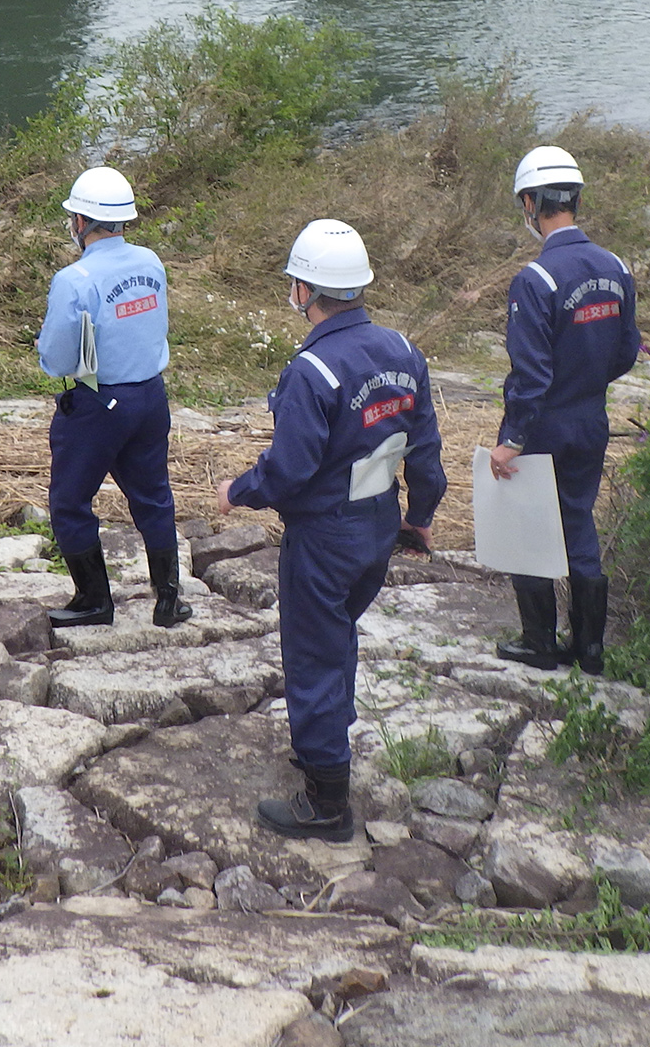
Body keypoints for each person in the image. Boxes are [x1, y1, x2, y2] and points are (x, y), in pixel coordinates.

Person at [218, 220, 446, 843]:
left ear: (304, 289)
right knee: (339, 636)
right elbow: (425, 453)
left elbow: (288, 470)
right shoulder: (404, 352)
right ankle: (329, 744)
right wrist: (419, 517)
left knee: (314, 653)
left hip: (324, 536)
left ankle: (326, 802)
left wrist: (237, 491)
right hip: (376, 528)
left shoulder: (313, 370)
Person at [492, 146, 641, 677]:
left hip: (544, 426)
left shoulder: (536, 279)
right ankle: (590, 649)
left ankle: (540, 644)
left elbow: (530, 375)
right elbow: (626, 352)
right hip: (592, 419)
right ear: (575, 199)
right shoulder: (615, 266)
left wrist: (512, 437)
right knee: (577, 520)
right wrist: (586, 381)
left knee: (528, 526)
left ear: (531, 203)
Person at [35, 166, 190, 632]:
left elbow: (57, 358)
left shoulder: (74, 278)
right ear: (124, 220)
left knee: (69, 502)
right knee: (154, 498)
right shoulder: (151, 262)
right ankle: (169, 600)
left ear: (80, 223)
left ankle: (94, 600)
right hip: (150, 397)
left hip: (99, 404)